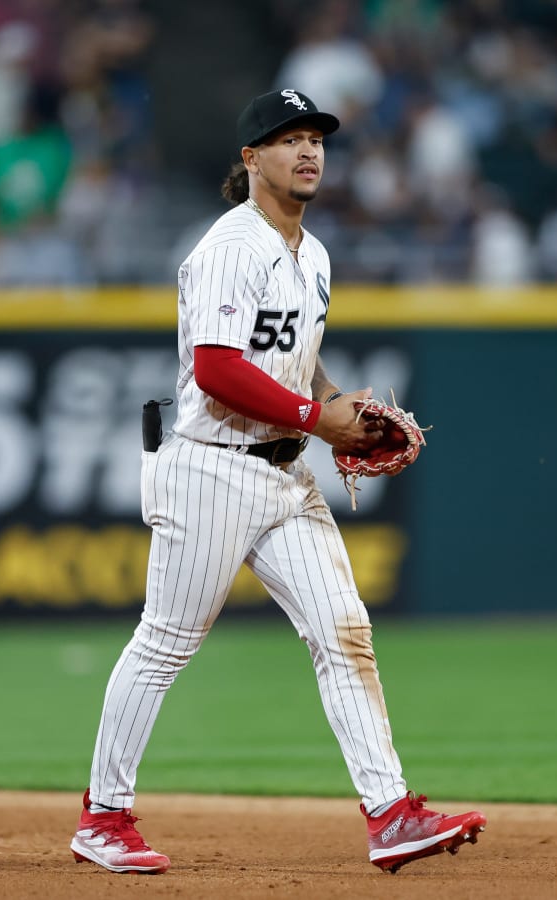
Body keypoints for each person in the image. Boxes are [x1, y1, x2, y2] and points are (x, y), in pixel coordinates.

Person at [70, 89, 487, 876]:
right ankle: (103, 815)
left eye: (316, 140)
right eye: (288, 139)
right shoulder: (232, 245)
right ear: (250, 158)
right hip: (209, 468)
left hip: (285, 472)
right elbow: (219, 370)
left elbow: (299, 364)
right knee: (164, 644)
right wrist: (314, 415)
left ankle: (391, 813)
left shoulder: (315, 254)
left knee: (345, 634)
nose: (308, 152)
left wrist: (339, 410)